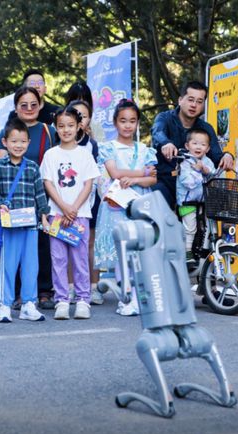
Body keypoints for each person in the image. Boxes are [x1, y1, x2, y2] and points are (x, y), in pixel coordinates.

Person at [0, 86, 57, 309]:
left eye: (34, 104)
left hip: (43, 194)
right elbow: (0, 166)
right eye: (24, 105)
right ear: (16, 108)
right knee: (15, 248)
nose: (29, 108)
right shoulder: (8, 130)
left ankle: (43, 291)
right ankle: (19, 294)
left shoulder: (49, 130)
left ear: (40, 105)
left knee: (42, 245)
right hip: (15, 201)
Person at [94, 100, 157, 316]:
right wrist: (142, 174)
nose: (128, 126)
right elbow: (115, 173)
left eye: (132, 121)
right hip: (117, 207)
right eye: (123, 121)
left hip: (140, 204)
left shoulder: (145, 150)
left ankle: (138, 296)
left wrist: (138, 178)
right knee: (123, 251)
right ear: (115, 123)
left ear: (138, 123)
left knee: (138, 251)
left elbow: (153, 179)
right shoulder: (108, 148)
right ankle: (125, 297)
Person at [41, 107, 100, 320]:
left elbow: (88, 184)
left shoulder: (85, 155)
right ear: (56, 128)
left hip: (80, 214)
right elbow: (48, 183)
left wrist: (73, 208)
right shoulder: (51, 155)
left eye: (70, 125)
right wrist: (64, 208)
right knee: (58, 259)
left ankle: (83, 300)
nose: (66, 130)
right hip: (57, 215)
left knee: (80, 258)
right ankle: (62, 301)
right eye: (61, 126)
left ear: (79, 127)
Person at [0, 118, 50, 323]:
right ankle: (5, 305)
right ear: (5, 142)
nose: (18, 145)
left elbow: (40, 194)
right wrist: (0, 205)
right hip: (9, 226)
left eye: (23, 141)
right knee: (8, 265)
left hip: (31, 225)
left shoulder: (33, 168)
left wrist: (44, 215)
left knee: (31, 265)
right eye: (14, 141)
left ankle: (28, 304)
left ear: (28, 143)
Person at [151, 81, 233, 208]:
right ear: (180, 100)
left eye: (199, 101)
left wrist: (227, 156)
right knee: (157, 209)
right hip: (166, 182)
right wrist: (166, 143)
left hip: (194, 189)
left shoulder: (205, 128)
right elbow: (157, 132)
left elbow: (216, 154)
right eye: (190, 99)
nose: (194, 105)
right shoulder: (164, 118)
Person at [68, 98, 102, 305]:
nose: (80, 120)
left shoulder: (93, 145)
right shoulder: (60, 142)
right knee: (68, 240)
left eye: (84, 116)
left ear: (89, 120)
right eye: (76, 115)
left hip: (90, 199)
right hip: (67, 202)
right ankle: (71, 287)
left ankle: (93, 287)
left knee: (90, 244)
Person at [175, 127, 216, 267]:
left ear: (208, 148)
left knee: (205, 228)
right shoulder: (185, 162)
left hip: (203, 202)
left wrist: (205, 170)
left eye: (203, 144)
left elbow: (213, 175)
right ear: (187, 146)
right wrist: (199, 172)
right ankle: (187, 253)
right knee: (190, 227)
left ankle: (204, 252)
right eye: (195, 143)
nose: (199, 147)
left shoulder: (207, 161)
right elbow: (188, 182)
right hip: (186, 202)